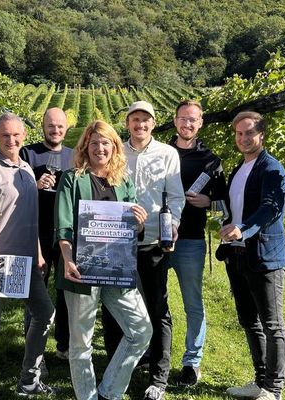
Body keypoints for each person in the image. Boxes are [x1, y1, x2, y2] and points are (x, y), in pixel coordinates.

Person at [54, 120, 152, 400]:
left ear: (114, 147)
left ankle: (109, 391)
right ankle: (87, 396)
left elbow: (133, 229)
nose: (100, 148)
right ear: (86, 146)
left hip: (116, 270)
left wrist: (140, 223)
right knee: (81, 343)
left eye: (106, 142)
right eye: (94, 142)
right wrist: (68, 259)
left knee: (141, 330)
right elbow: (63, 225)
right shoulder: (72, 178)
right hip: (80, 269)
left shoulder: (123, 181)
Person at [102, 100, 185, 400]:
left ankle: (158, 378)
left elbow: (175, 197)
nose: (140, 125)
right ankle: (116, 368)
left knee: (157, 307)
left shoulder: (167, 154)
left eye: (145, 120)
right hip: (118, 243)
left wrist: (172, 225)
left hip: (153, 242)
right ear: (128, 123)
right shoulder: (116, 152)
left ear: (153, 123)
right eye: (135, 120)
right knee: (113, 309)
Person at [0, 112, 55, 399]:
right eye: (5, 135)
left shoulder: (27, 170)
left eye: (16, 135)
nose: (11, 139)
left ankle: (28, 380)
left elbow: (30, 216)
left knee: (44, 313)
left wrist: (39, 253)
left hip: (26, 261)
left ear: (23, 137)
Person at [218, 111, 285, 400]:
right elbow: (236, 206)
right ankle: (260, 382)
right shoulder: (240, 168)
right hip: (237, 256)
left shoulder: (272, 168)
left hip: (263, 257)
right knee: (249, 320)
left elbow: (270, 208)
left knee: (272, 324)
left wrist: (243, 229)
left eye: (249, 133)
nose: (244, 138)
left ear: (262, 134)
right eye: (239, 134)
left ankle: (274, 388)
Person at [167, 100, 227, 386]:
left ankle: (192, 362)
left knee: (192, 303)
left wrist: (209, 202)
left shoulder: (210, 160)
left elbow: (226, 203)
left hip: (190, 240)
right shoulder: (161, 152)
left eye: (193, 120)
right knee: (154, 300)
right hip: (158, 237)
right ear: (175, 120)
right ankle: (154, 352)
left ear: (200, 123)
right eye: (182, 119)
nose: (187, 124)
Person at [19, 107, 74, 360]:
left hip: (64, 234)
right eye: (51, 125)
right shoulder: (27, 153)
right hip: (36, 233)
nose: (56, 130)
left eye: (60, 126)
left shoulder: (74, 157)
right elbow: (14, 194)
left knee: (66, 291)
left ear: (66, 128)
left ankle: (64, 345)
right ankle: (33, 348)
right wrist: (35, 185)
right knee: (36, 290)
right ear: (43, 126)